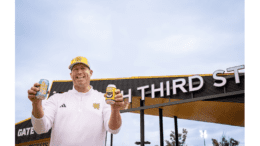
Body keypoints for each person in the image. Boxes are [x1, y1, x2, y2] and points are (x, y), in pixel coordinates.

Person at [28, 56, 124, 146]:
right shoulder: (56, 99)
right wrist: (36, 103)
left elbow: (114, 129)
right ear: (71, 75)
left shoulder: (103, 100)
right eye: (75, 69)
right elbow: (40, 128)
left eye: (83, 68)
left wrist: (115, 109)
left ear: (91, 72)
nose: (79, 72)